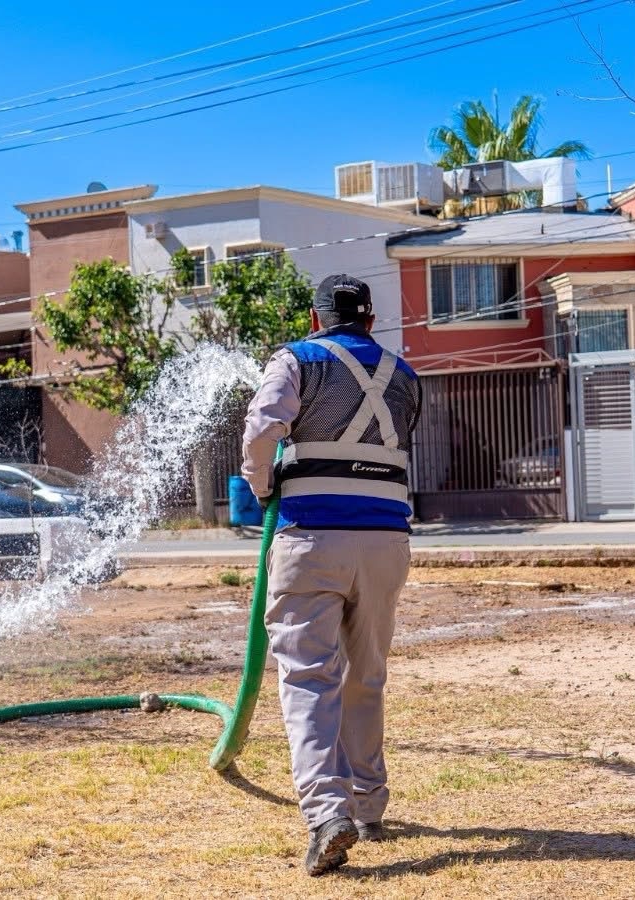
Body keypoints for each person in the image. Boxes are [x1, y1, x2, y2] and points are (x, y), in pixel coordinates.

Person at [240, 273, 420, 876]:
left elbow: (264, 426)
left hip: (312, 535)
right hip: (386, 539)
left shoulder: (297, 359)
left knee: (310, 678)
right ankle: (368, 806)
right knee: (366, 676)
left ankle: (326, 815)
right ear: (370, 320)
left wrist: (262, 484)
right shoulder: (404, 374)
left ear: (317, 319)